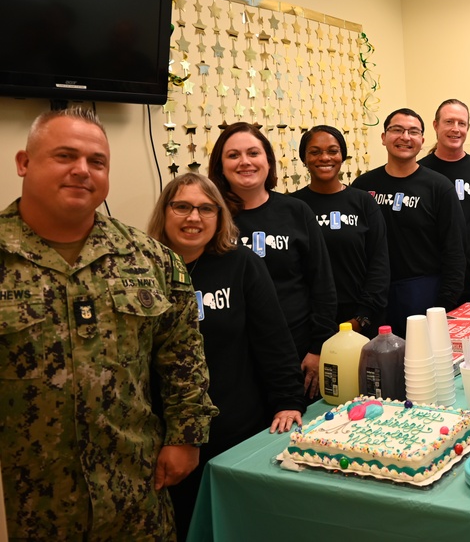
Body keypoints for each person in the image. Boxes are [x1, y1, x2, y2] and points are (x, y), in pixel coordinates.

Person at [0, 108, 217, 540]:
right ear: (25, 163)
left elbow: (183, 358)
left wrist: (186, 437)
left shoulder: (150, 259)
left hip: (135, 494)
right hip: (27, 504)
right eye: (65, 156)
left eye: (97, 161)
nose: (82, 170)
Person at [147, 173, 307, 540]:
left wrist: (287, 400)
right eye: (182, 207)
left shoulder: (241, 263)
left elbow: (273, 338)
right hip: (165, 437)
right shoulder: (142, 270)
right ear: (165, 212)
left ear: (220, 217)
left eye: (207, 209)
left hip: (236, 427)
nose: (194, 218)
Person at [208, 122, 337, 400]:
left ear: (268, 161)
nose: (245, 162)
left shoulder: (296, 211)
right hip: (236, 358)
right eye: (233, 155)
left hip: (298, 351)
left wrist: (317, 349)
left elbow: (323, 285)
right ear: (220, 166)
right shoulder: (211, 217)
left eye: (253, 153)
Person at [353, 108, 466, 335]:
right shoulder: (363, 186)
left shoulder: (438, 187)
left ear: (422, 140)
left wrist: (444, 305)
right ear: (384, 137)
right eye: (397, 130)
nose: (405, 137)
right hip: (373, 296)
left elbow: (455, 251)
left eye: (413, 132)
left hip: (423, 294)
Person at [293, 125, 390, 338]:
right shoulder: (292, 206)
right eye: (315, 152)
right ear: (304, 158)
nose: (324, 157)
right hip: (308, 321)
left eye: (332, 151)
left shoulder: (363, 202)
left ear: (342, 156)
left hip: (360, 317)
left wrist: (361, 318)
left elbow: (379, 264)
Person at [419, 99, 470, 303]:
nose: (455, 129)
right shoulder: (419, 174)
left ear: (468, 128)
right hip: (431, 281)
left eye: (461, 123)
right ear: (435, 125)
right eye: (449, 122)